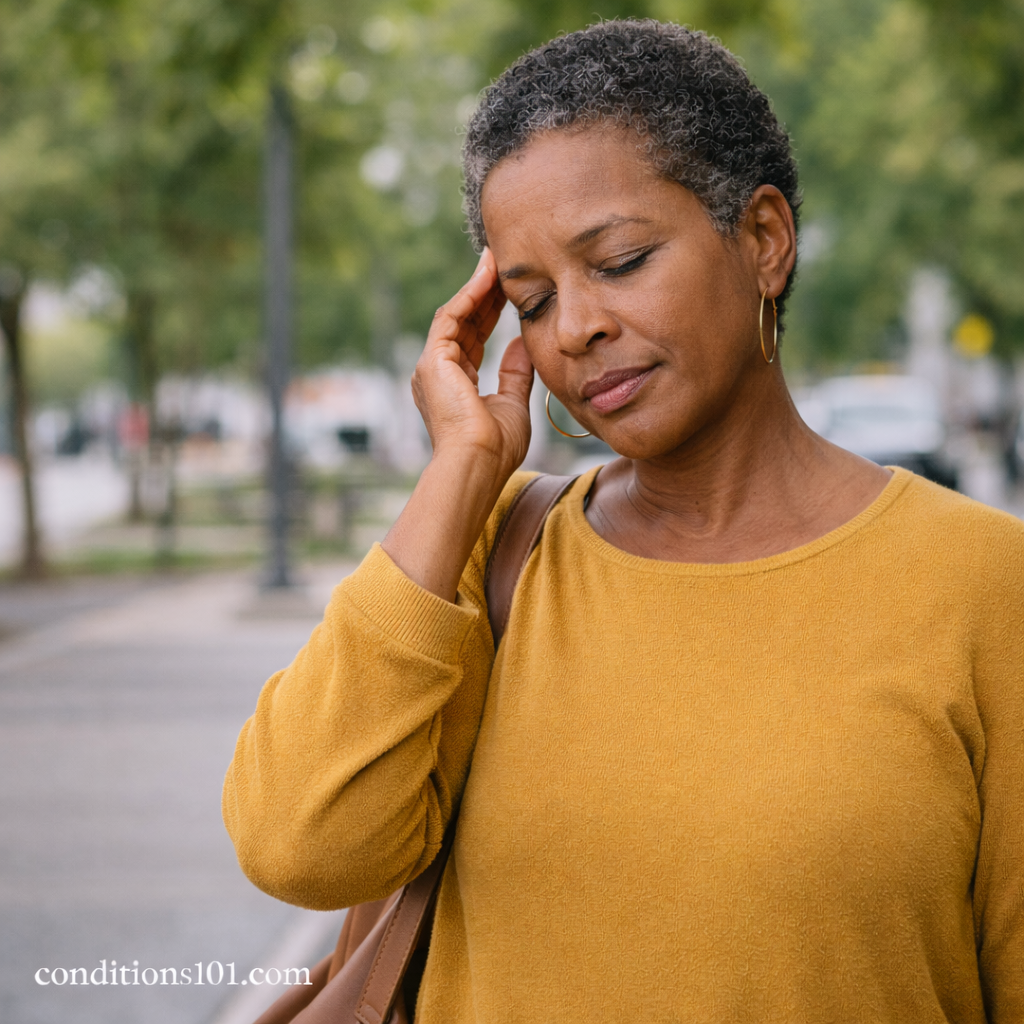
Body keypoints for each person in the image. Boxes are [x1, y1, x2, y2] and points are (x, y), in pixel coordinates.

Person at [223, 20, 1023, 1024]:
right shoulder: (481, 561)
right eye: (532, 296)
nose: (575, 327)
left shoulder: (987, 585)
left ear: (763, 240)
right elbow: (298, 844)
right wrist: (461, 473)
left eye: (622, 259)